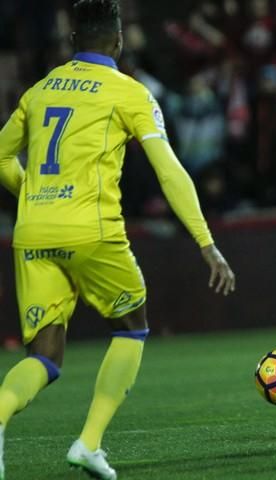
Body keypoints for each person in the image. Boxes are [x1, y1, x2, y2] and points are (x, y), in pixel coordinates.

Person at [0, 1, 236, 479]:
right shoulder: (130, 93)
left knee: (44, 353)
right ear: (118, 41)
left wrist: (34, 194)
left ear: (72, 42)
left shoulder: (38, 92)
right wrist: (205, 241)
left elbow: (2, 157)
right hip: (91, 227)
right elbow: (168, 170)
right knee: (132, 325)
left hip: (32, 230)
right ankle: (88, 443)